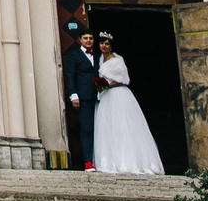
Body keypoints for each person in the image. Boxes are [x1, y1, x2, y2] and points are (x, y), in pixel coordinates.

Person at [93, 35, 167, 175]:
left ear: (111, 46)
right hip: (106, 97)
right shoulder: (100, 59)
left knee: (123, 126)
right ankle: (111, 161)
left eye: (107, 44)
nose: (104, 46)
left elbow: (123, 79)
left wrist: (107, 85)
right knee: (109, 127)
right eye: (102, 43)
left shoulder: (117, 60)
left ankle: (129, 161)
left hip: (118, 94)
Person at [60, 28, 103, 170]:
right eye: (86, 38)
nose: (88, 41)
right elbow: (70, 76)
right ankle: (88, 162)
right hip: (83, 98)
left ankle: (101, 160)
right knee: (87, 129)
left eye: (91, 38)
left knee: (101, 129)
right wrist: (74, 96)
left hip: (99, 98)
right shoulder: (74, 55)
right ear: (80, 40)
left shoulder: (98, 56)